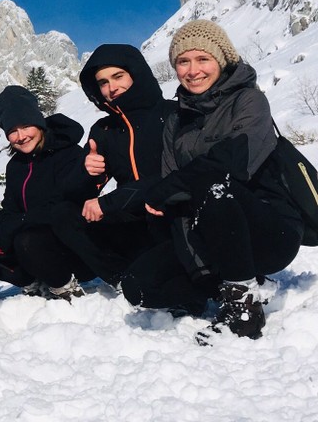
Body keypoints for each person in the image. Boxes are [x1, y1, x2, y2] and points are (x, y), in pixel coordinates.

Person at [121, 19, 304, 342]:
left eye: (202, 59)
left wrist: (174, 187)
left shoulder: (249, 101)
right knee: (140, 286)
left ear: (221, 60)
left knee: (213, 183)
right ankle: (225, 287)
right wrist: (170, 194)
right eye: (183, 61)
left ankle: (244, 305)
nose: (192, 70)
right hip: (207, 233)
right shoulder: (176, 119)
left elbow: (233, 164)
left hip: (268, 231)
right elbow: (170, 187)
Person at [60, 44, 178, 283]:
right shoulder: (105, 129)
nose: (111, 88)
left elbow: (174, 176)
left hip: (171, 217)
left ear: (136, 73)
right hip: (132, 224)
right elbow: (74, 194)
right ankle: (122, 278)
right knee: (62, 214)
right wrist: (87, 172)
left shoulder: (173, 113)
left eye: (118, 76)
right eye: (103, 83)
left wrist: (109, 202)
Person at [0, 86, 99, 299]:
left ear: (38, 123)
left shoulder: (68, 153)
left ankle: (64, 285)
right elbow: (10, 210)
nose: (20, 136)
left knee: (26, 241)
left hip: (75, 245)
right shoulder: (15, 166)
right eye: (12, 130)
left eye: (26, 126)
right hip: (34, 245)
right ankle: (34, 281)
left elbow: (64, 207)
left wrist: (20, 222)